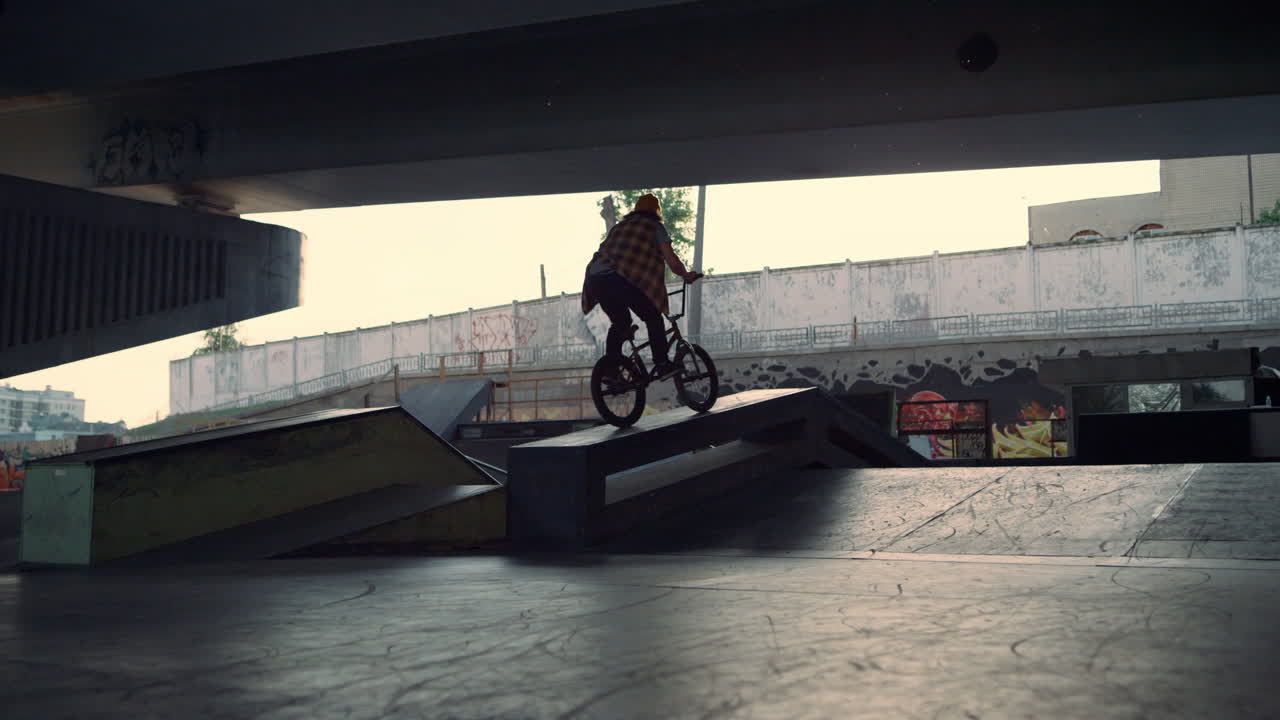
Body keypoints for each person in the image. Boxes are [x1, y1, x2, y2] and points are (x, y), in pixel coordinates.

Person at [582, 193, 701, 380]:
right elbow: (670, 259)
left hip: (594, 278)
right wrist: (685, 275)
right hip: (615, 277)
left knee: (621, 322)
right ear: (656, 212)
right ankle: (662, 364)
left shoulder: (618, 227)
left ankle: (611, 369)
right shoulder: (654, 227)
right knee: (653, 317)